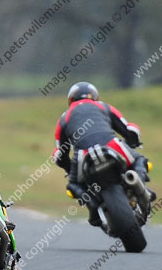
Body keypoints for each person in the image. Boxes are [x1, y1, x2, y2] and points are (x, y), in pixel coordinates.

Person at [52, 81, 151, 226]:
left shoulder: (64, 118)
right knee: (140, 160)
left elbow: (60, 154)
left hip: (83, 153)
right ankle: (140, 185)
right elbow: (128, 129)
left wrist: (68, 169)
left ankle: (93, 209)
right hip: (112, 145)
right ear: (95, 96)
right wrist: (133, 143)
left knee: (73, 185)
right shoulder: (103, 106)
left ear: (71, 99)